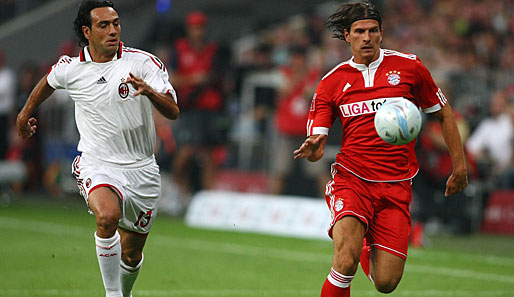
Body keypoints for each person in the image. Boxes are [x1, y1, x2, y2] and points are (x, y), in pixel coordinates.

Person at [293, 2, 468, 296]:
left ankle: (365, 242)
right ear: (347, 36)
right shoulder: (331, 82)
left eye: (373, 31)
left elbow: (444, 113)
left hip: (396, 184)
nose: (367, 37)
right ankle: (356, 239)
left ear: (381, 33)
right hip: (352, 180)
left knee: (386, 283)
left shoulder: (410, 67)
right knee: (344, 262)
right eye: (360, 31)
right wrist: (312, 149)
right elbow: (317, 147)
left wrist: (460, 166)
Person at [16, 1, 179, 296]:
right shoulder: (72, 68)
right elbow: (49, 81)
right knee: (107, 217)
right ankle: (113, 294)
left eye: (116, 23)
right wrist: (24, 113)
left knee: (131, 254)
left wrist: (151, 92)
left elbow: (173, 111)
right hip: (98, 162)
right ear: (87, 32)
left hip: (142, 169)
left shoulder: (143, 63)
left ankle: (124, 293)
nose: (113, 30)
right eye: (104, 25)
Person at [170, 10, 226, 196]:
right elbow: (171, 78)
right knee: (185, 152)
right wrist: (194, 79)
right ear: (189, 29)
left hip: (210, 107)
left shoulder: (213, 50)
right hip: (189, 107)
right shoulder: (179, 49)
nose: (198, 32)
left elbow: (222, 78)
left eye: (201, 27)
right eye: (195, 28)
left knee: (210, 155)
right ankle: (179, 191)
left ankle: (208, 195)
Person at [270, 45, 328, 195]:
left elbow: (316, 94)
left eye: (300, 59)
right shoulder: (282, 73)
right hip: (286, 130)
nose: (297, 62)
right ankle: (271, 205)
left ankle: (331, 206)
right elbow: (283, 89)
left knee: (318, 171)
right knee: (279, 170)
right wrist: (299, 78)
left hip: (308, 132)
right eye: (294, 59)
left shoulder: (314, 75)